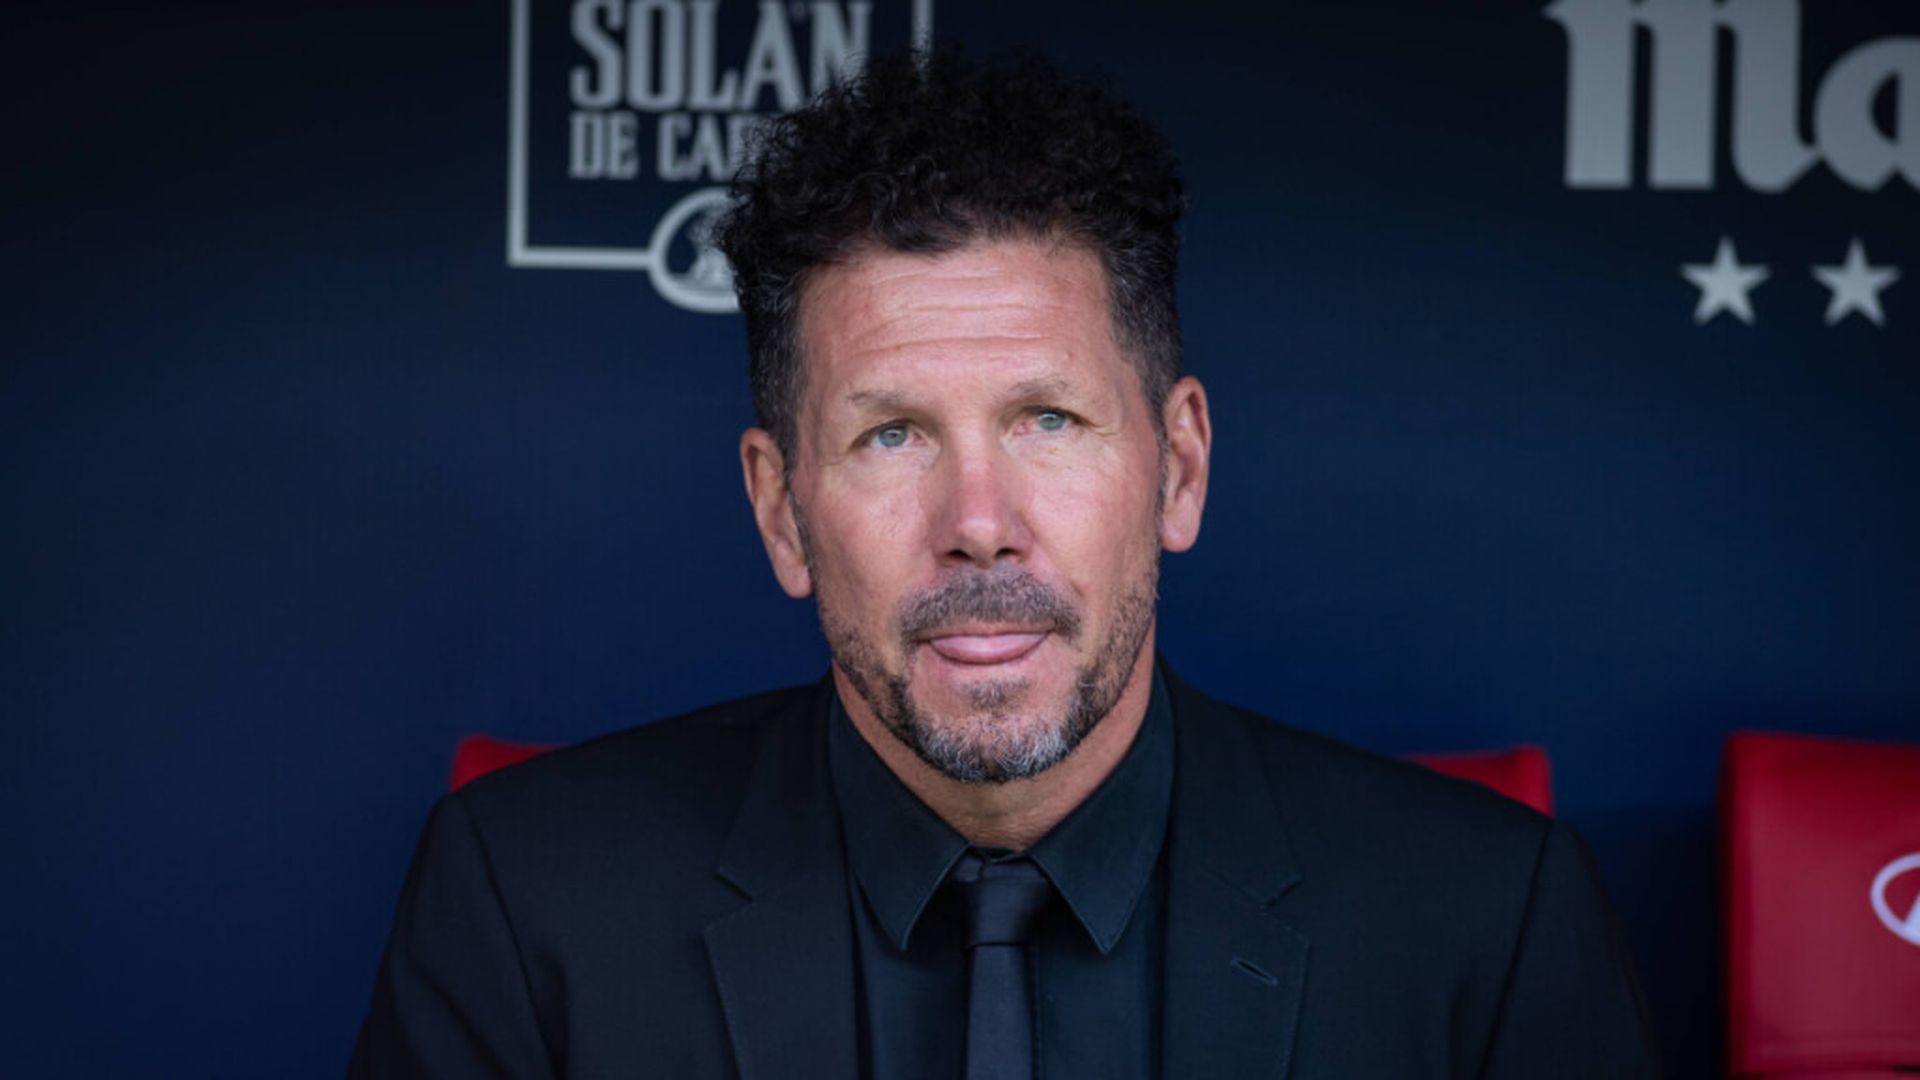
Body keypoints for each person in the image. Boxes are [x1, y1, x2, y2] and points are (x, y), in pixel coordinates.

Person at [351, 51, 1659, 1078]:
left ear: (1180, 468)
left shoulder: (1488, 924)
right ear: (781, 510)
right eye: (892, 435)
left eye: (1048, 419)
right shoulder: (528, 904)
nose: (978, 521)